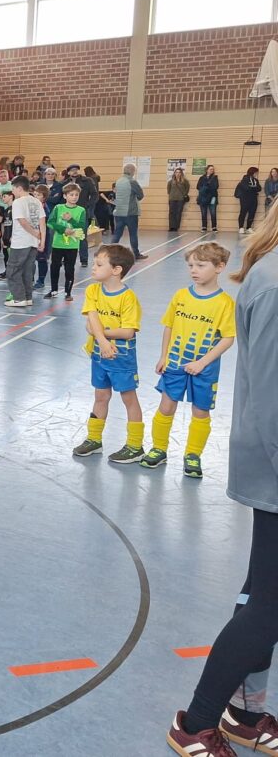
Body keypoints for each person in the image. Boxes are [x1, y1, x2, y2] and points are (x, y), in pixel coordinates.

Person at [165, 205, 278, 756]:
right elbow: (275, 399)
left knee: (263, 595)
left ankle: (244, 711)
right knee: (268, 608)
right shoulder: (276, 282)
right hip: (275, 465)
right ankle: (196, 724)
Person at [140, 242, 234, 480]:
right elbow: (169, 326)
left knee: (200, 412)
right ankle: (159, 448)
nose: (194, 270)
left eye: (200, 265)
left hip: (205, 370)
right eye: (191, 265)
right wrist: (163, 355)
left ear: (219, 267)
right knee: (166, 406)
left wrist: (202, 362)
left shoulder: (224, 303)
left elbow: (228, 338)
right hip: (175, 364)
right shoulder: (181, 296)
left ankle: (193, 455)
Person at [71, 245, 144, 463]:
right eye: (94, 263)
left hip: (121, 357)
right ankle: (94, 439)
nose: (93, 268)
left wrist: (100, 335)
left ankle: (135, 445)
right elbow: (91, 320)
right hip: (99, 354)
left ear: (116, 270)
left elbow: (128, 331)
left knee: (128, 398)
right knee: (101, 396)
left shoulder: (128, 298)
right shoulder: (93, 291)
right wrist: (102, 342)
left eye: (99, 264)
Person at [5, 175, 43, 308]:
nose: (12, 192)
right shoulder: (36, 201)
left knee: (13, 270)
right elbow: (42, 221)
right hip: (33, 242)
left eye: (13, 189)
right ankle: (27, 297)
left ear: (19, 188)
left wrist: (35, 233)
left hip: (21, 242)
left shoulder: (18, 202)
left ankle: (18, 298)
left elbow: (22, 221)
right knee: (27, 270)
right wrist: (41, 239)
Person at [44, 183, 86, 302]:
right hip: (58, 244)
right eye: (71, 195)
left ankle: (68, 292)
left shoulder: (81, 210)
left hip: (72, 245)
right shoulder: (58, 208)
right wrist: (63, 229)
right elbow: (50, 222)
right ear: (65, 196)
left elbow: (82, 226)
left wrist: (70, 220)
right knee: (55, 267)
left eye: (76, 195)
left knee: (69, 268)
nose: (74, 197)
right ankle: (53, 290)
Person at [111, 164, 147, 259]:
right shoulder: (132, 182)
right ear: (132, 171)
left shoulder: (118, 181)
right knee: (133, 234)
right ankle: (136, 254)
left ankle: (109, 252)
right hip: (130, 213)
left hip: (118, 212)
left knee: (117, 234)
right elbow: (140, 195)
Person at [236, 167, 261, 234]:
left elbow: (259, 188)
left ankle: (249, 227)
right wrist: (254, 188)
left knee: (252, 213)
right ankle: (241, 227)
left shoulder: (256, 180)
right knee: (243, 213)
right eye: (256, 172)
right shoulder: (245, 179)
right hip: (245, 199)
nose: (257, 174)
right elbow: (246, 188)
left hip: (254, 199)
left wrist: (252, 187)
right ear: (252, 172)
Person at [197, 165, 220, 233]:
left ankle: (214, 227)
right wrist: (205, 188)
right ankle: (204, 227)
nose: (212, 170)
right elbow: (198, 186)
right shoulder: (202, 178)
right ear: (207, 170)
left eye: (212, 169)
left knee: (213, 212)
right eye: (210, 169)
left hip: (213, 197)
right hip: (203, 197)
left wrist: (207, 187)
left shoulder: (215, 177)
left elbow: (216, 186)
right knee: (203, 213)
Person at [168, 167, 191, 232]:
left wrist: (184, 195)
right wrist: (171, 195)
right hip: (172, 199)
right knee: (171, 213)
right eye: (176, 172)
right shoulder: (171, 181)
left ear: (181, 173)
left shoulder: (185, 181)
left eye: (179, 172)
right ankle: (171, 226)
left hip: (180, 199)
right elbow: (168, 190)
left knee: (178, 213)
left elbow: (187, 188)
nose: (178, 174)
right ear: (174, 173)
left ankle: (176, 227)